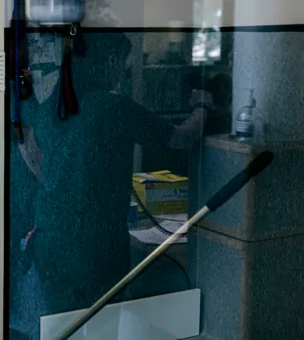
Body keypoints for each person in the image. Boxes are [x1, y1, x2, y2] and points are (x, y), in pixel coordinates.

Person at [30, 33, 213, 315]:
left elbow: (36, 156)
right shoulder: (112, 108)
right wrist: (203, 105)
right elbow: (183, 138)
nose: (123, 72)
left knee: (61, 328)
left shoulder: (53, 108)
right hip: (94, 248)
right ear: (111, 60)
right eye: (124, 63)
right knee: (101, 328)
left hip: (49, 241)